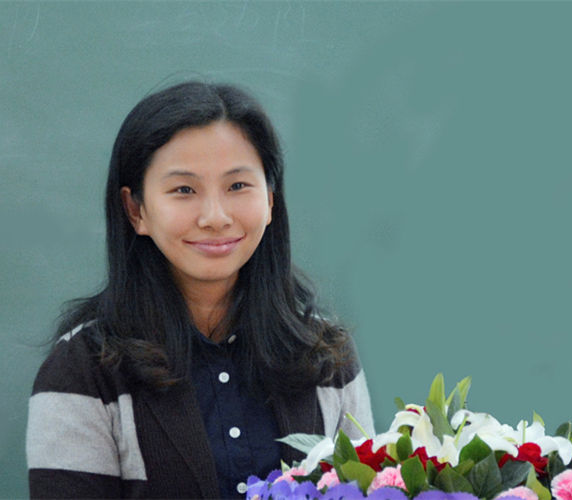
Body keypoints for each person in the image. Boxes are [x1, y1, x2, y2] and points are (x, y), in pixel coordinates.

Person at [26, 81, 374, 499]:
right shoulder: (82, 370)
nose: (215, 217)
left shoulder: (326, 356)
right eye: (184, 190)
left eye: (238, 185)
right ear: (136, 210)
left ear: (270, 200)